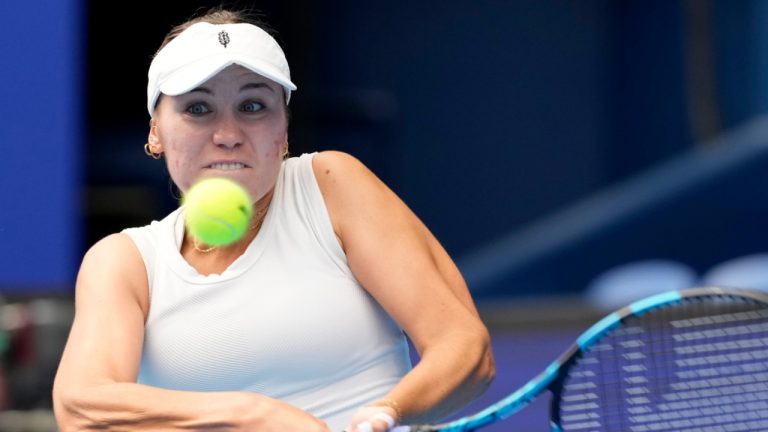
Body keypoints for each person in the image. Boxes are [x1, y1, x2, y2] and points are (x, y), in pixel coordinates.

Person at [53, 7, 494, 432]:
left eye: (252, 106)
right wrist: (251, 415)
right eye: (198, 108)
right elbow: (82, 406)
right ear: (155, 132)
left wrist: (384, 413)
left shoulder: (332, 184)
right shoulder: (125, 261)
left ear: (283, 131)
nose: (227, 135)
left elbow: (466, 349)